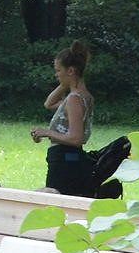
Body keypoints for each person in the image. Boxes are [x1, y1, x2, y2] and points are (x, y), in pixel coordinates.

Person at [31, 40, 96, 195]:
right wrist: (65, 83)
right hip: (70, 159)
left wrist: (46, 132)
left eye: (59, 70)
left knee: (53, 200)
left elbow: (76, 138)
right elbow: (49, 103)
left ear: (71, 70)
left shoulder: (74, 99)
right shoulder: (84, 96)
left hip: (64, 161)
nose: (56, 74)